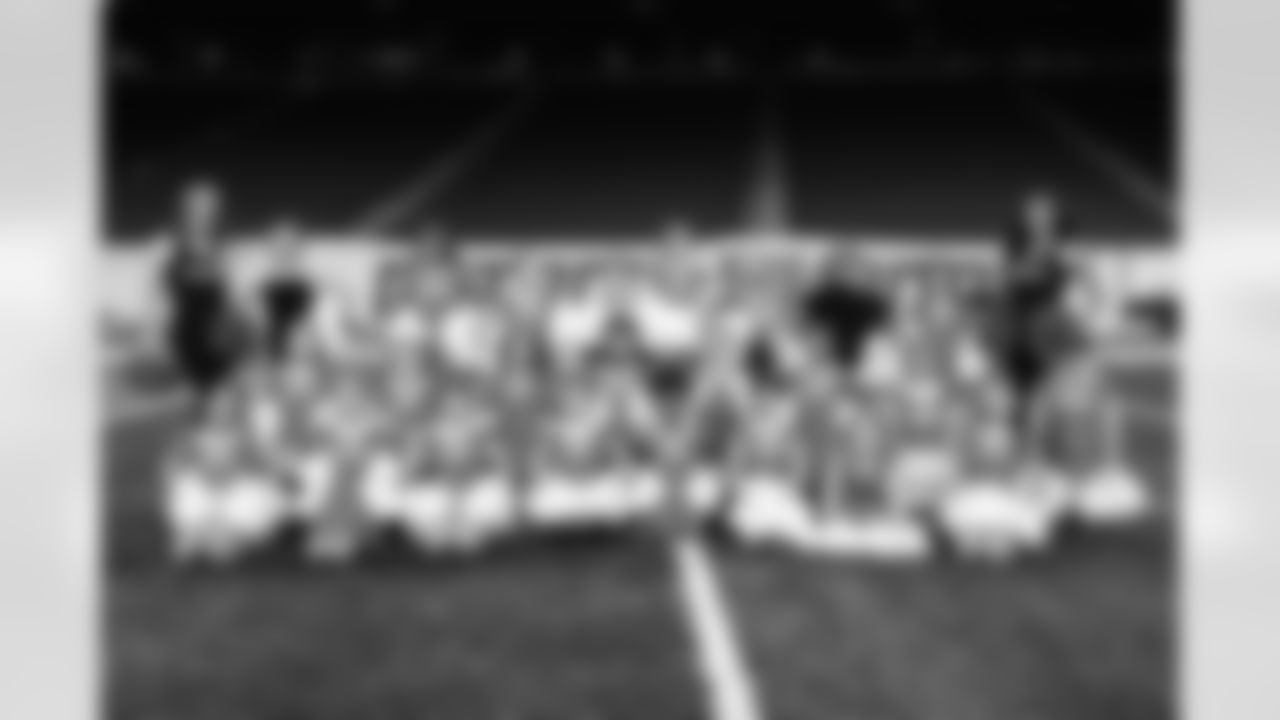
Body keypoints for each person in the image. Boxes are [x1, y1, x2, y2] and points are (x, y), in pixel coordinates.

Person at [162, 179, 244, 412]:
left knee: (220, 410)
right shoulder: (168, 246)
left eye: (210, 207)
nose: (204, 213)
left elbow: (233, 301)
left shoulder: (226, 251)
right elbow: (158, 302)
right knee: (196, 411)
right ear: (184, 208)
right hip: (184, 343)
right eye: (198, 206)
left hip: (219, 344)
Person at [258, 221, 315, 364]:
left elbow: (312, 329)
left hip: (303, 357)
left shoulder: (310, 286)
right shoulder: (259, 290)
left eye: (290, 245)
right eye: (279, 245)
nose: (285, 251)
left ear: (298, 248)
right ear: (271, 248)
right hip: (270, 359)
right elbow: (256, 333)